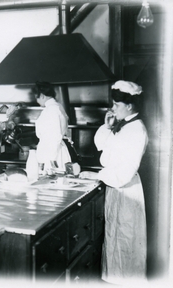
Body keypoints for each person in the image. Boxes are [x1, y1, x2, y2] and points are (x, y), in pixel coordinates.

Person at [79, 80, 148, 285]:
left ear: (129, 106)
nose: (112, 108)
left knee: (126, 243)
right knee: (115, 240)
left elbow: (125, 172)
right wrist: (106, 125)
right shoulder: (123, 126)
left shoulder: (136, 130)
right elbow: (102, 146)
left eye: (116, 105)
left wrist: (97, 176)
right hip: (117, 190)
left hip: (126, 190)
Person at [32, 81, 71, 172]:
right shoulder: (57, 107)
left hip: (52, 154)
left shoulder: (51, 110)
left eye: (36, 98)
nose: (37, 101)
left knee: (51, 181)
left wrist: (51, 162)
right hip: (53, 151)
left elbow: (55, 136)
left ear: (42, 95)